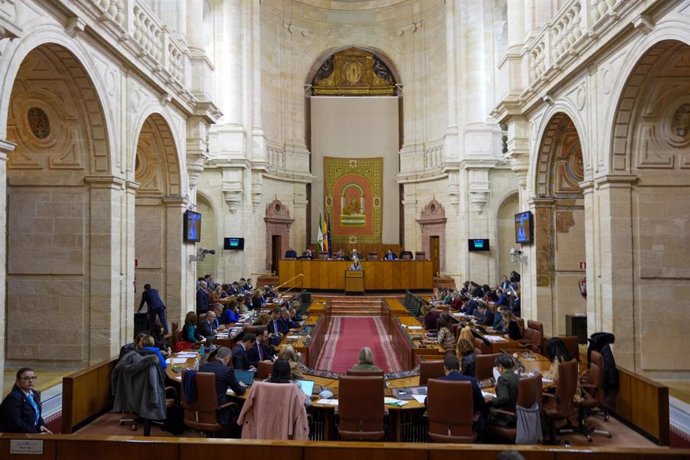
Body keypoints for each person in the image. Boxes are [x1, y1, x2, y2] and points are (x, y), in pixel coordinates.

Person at [198, 346, 246, 436]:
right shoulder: (227, 370)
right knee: (239, 405)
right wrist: (242, 386)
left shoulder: (203, 367)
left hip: (202, 408)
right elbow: (239, 391)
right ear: (227, 358)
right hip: (220, 409)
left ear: (216, 356)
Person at [0, 368, 52, 433]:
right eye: (26, 378)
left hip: (31, 433)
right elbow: (16, 424)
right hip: (16, 436)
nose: (30, 381)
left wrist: (41, 425)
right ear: (17, 381)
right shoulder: (13, 398)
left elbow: (36, 414)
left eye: (33, 378)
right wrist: (36, 434)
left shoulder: (34, 393)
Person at [486, 354, 519, 427]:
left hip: (507, 417)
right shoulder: (516, 376)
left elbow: (504, 398)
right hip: (517, 414)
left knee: (485, 411)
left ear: (501, 366)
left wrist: (492, 399)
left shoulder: (502, 379)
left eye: (497, 367)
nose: (497, 370)